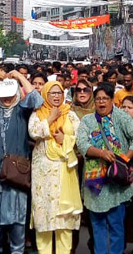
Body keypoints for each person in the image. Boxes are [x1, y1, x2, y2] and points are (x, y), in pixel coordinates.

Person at [0, 71, 42, 254]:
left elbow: (37, 99)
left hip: (16, 177)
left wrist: (20, 78)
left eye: (10, 96)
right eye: (3, 96)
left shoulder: (23, 108)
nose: (7, 100)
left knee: (17, 226)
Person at [76, 82, 133, 254]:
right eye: (98, 98)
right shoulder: (87, 120)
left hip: (116, 183)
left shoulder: (121, 117)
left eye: (105, 99)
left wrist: (124, 159)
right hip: (94, 183)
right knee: (98, 226)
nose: (101, 102)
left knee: (116, 226)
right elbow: (82, 144)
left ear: (112, 100)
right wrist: (100, 152)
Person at [28, 80, 81, 254]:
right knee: (44, 218)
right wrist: (50, 118)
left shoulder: (70, 114)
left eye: (59, 93)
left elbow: (80, 138)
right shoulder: (38, 114)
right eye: (53, 93)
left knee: (63, 219)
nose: (56, 96)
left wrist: (63, 140)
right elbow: (33, 132)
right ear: (45, 94)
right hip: (43, 172)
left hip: (64, 169)